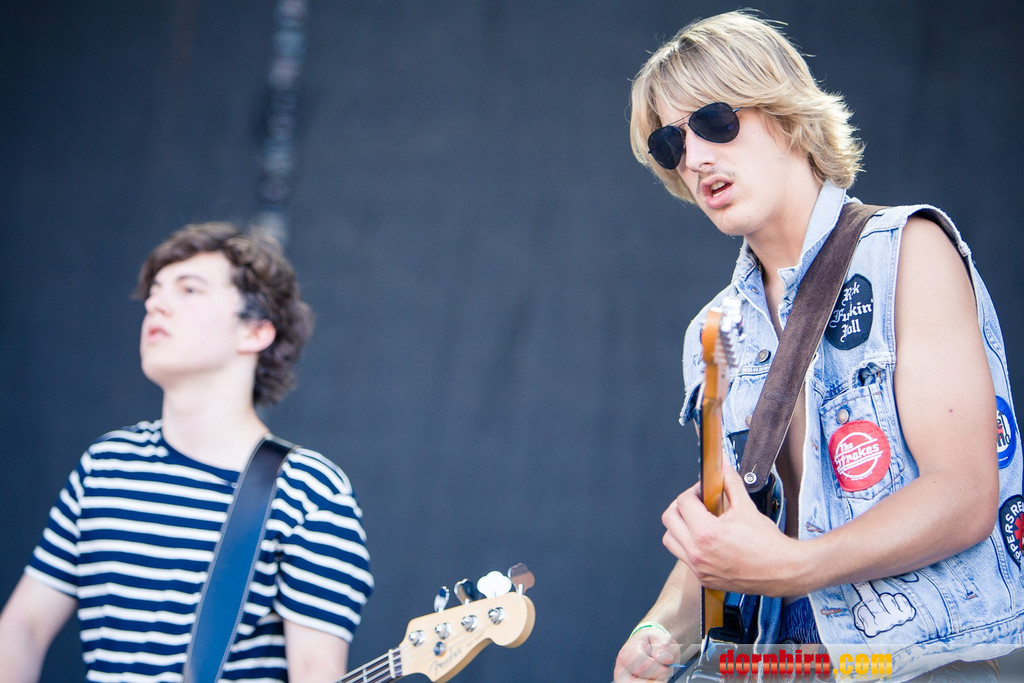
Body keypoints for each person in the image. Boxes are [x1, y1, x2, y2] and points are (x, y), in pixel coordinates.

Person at [613, 10, 1023, 682]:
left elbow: (965, 493)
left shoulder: (907, 252)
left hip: (920, 661)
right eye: (670, 142)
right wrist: (659, 630)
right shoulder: (713, 331)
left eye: (714, 121)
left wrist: (796, 566)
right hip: (786, 663)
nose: (695, 157)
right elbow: (731, 534)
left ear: (787, 115)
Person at [0, 222, 373, 682]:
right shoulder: (107, 465)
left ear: (255, 332)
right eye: (154, 292)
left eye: (189, 289)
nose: (155, 304)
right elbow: (23, 626)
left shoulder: (307, 491)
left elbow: (316, 672)